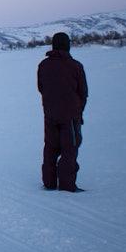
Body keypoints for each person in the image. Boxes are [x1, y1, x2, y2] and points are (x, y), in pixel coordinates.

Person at [37, 32, 88, 192]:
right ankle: (66, 185)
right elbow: (83, 92)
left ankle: (49, 182)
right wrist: (78, 110)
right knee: (69, 149)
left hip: (50, 114)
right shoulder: (75, 66)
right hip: (70, 116)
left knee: (50, 147)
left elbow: (41, 88)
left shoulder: (44, 65)